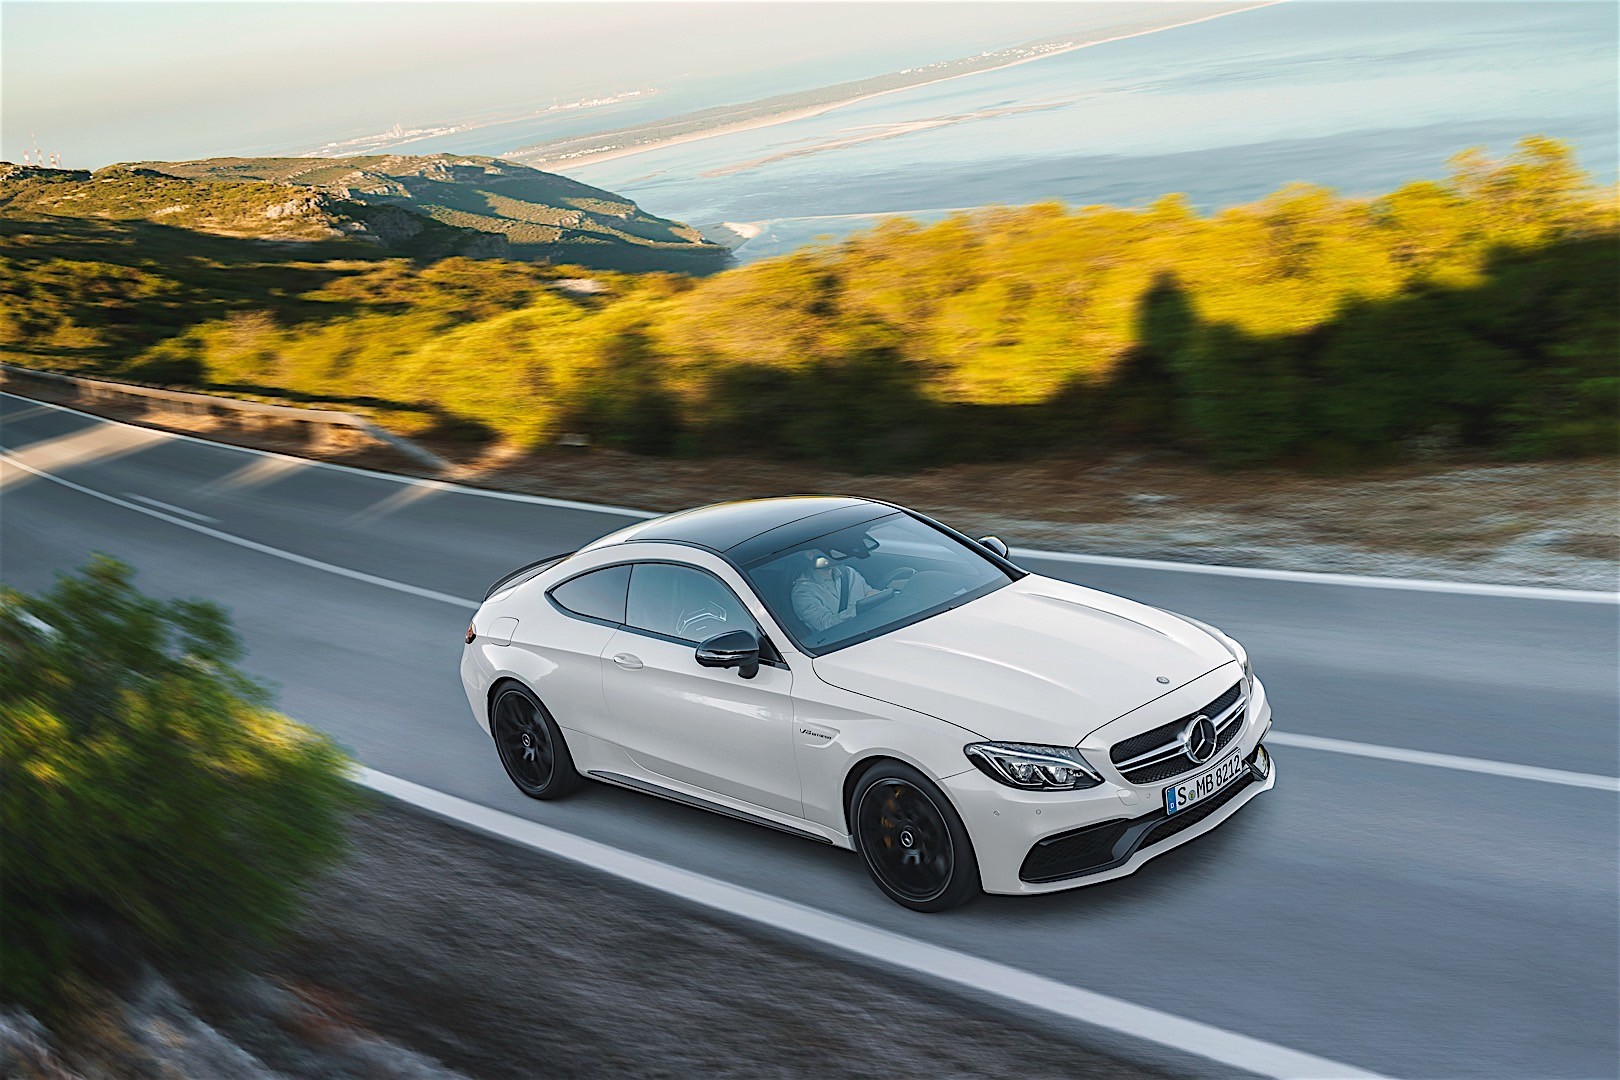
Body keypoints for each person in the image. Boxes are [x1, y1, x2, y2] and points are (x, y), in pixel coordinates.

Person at [790, 550, 908, 633]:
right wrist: (861, 607)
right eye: (811, 551)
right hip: (843, 643)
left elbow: (870, 594)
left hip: (874, 628)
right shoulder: (803, 592)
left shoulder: (848, 572)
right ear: (808, 555)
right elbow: (826, 626)